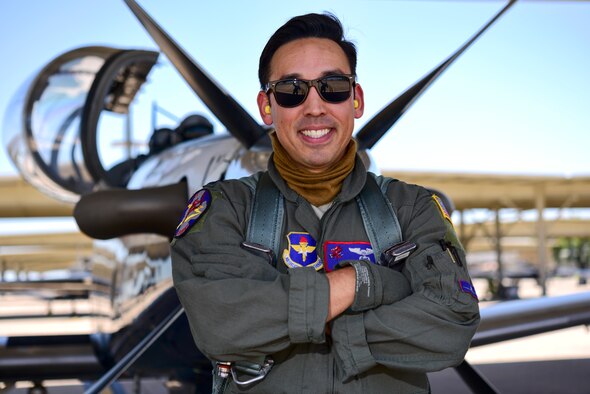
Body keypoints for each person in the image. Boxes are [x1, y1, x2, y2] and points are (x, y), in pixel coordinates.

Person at [171, 12, 480, 393]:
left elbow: (451, 326)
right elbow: (221, 325)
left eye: (333, 86)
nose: (314, 107)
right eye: (291, 90)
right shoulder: (223, 208)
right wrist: (367, 284)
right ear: (267, 106)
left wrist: (301, 318)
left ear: (356, 99)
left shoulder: (413, 208)